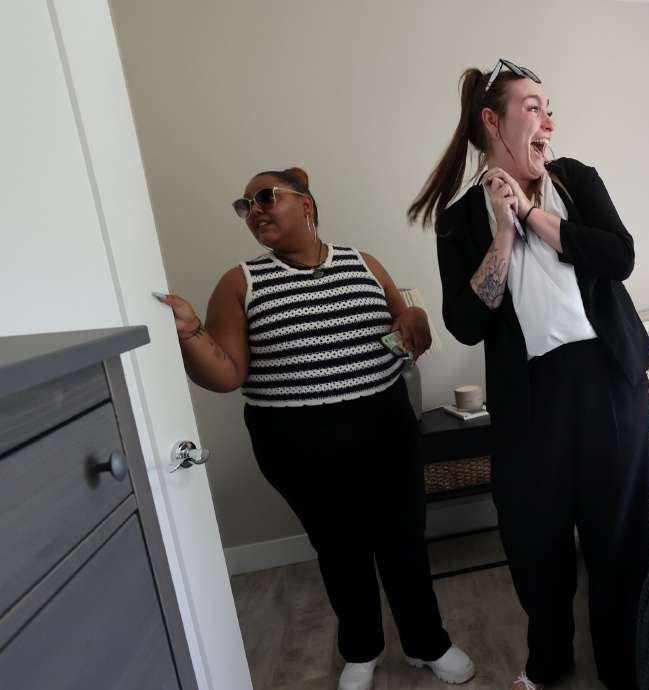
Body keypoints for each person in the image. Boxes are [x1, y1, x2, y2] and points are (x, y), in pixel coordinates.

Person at [156, 167, 475, 690]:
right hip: (296, 442)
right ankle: (362, 648)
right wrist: (190, 332)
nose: (253, 210)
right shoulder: (242, 281)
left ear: (306, 205)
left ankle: (427, 643)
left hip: (385, 426)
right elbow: (225, 373)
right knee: (339, 546)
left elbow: (405, 325)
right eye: (244, 205)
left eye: (265, 197)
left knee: (403, 541)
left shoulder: (363, 263)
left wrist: (414, 316)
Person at [408, 60, 649, 690]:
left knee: (615, 542)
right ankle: (549, 661)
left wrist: (535, 215)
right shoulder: (461, 220)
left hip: (609, 381)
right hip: (530, 397)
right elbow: (465, 322)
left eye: (550, 108)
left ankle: (619, 670)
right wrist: (501, 230)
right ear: (493, 120)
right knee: (533, 540)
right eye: (534, 107)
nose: (549, 120)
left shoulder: (576, 180)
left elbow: (619, 256)